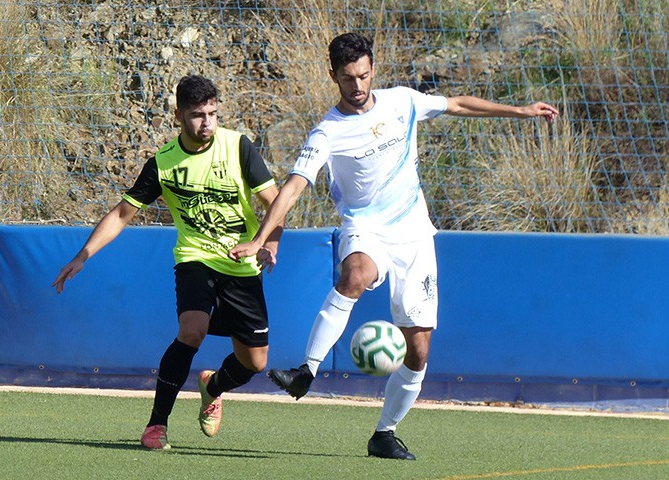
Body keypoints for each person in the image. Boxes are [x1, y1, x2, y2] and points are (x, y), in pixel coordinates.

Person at [229, 32, 558, 460]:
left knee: (418, 351)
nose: (358, 86)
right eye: (348, 78)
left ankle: (384, 433)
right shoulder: (327, 132)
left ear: (372, 70)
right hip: (364, 228)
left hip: (415, 236)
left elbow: (457, 104)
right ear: (333, 76)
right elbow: (292, 188)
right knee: (355, 274)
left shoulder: (402, 101)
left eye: (364, 75)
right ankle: (305, 372)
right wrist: (259, 238)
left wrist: (520, 110)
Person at [53, 74, 282, 450]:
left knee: (255, 363)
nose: (206, 122)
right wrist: (83, 255)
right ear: (178, 115)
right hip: (195, 258)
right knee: (192, 330)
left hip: (242, 265)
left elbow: (276, 203)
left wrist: (267, 241)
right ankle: (156, 425)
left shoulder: (238, 147)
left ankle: (213, 385)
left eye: (212, 113)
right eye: (197, 115)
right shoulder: (163, 163)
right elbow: (123, 213)